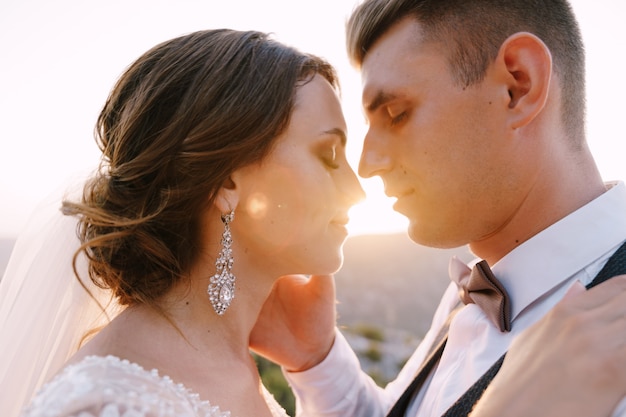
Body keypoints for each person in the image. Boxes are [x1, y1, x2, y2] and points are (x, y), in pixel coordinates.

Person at [248, 0, 626, 416]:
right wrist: (316, 359)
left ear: (518, 86)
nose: (367, 165)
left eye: (396, 114)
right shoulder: (472, 289)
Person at [1, 28, 365, 417]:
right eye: (328, 155)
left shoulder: (234, 367)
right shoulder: (107, 405)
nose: (356, 190)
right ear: (227, 181)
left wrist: (316, 359)